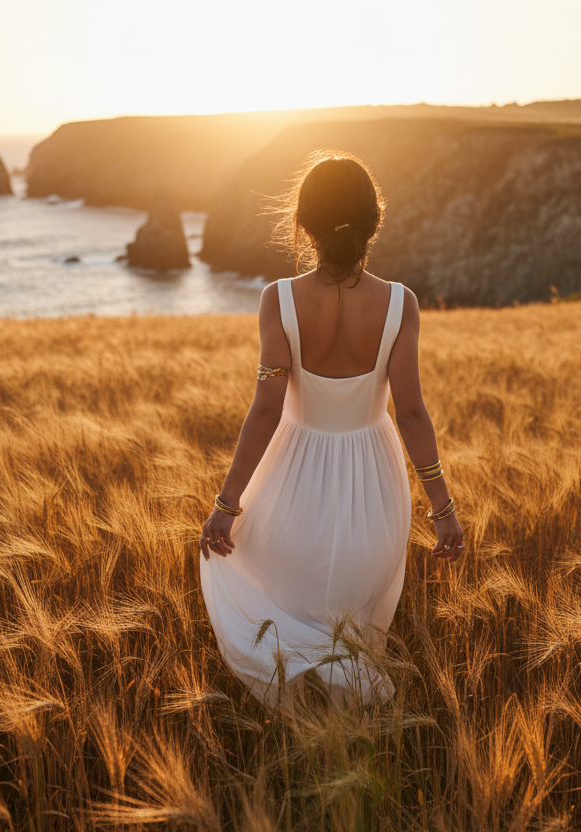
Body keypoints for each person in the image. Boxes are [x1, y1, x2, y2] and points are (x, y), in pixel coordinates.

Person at [198, 151, 463, 708]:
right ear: (374, 221)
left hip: (291, 485)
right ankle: (354, 734)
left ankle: (299, 735)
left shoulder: (279, 300)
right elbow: (411, 413)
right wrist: (443, 510)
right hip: (375, 489)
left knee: (288, 616)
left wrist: (227, 504)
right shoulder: (400, 305)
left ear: (303, 225)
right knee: (352, 632)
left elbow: (266, 410)